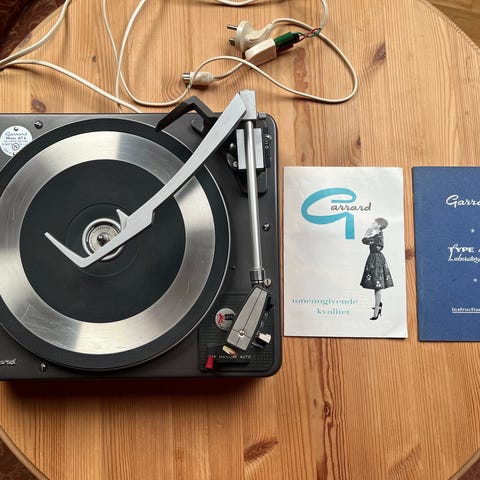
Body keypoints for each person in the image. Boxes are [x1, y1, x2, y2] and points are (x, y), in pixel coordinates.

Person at [360, 217, 393, 320]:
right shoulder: (377, 235)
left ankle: (377, 310)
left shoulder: (377, 236)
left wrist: (366, 233)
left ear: (378, 225)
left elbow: (365, 241)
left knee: (377, 285)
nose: (372, 223)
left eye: (374, 222)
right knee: (376, 284)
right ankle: (378, 306)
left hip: (376, 259)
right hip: (375, 258)